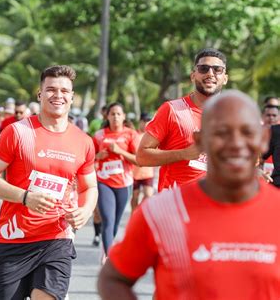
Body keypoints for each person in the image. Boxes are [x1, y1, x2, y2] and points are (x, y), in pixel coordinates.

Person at [98, 90, 280, 299]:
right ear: (200, 140)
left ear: (264, 138)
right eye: (221, 132)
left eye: (247, 132)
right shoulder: (161, 211)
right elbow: (113, 278)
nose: (235, 143)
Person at [0, 65, 98, 300]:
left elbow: (89, 186)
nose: (58, 96)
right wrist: (24, 197)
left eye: (64, 91)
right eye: (51, 89)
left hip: (56, 238)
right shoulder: (18, 133)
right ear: (40, 95)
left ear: (72, 97)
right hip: (14, 239)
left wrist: (86, 209)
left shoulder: (83, 141)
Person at [136, 48, 229, 191]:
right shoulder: (172, 110)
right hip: (176, 204)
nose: (210, 74)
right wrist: (183, 154)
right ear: (193, 76)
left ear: (225, 78)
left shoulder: (233, 116)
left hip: (215, 205)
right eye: (203, 68)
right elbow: (142, 157)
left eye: (217, 69)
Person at [93, 102, 137, 256]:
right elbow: (88, 159)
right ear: (107, 116)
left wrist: (120, 152)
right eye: (112, 114)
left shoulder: (131, 134)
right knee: (108, 220)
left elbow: (139, 160)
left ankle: (108, 248)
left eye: (119, 114)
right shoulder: (99, 135)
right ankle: (109, 257)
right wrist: (98, 156)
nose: (116, 117)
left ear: (124, 116)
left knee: (115, 223)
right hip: (104, 182)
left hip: (124, 183)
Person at [130, 113, 155, 212]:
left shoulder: (152, 136)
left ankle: (139, 213)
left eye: (148, 122)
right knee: (135, 196)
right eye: (144, 121)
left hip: (148, 172)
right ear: (140, 122)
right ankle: (134, 215)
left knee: (148, 196)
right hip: (134, 172)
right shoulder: (134, 135)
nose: (146, 124)